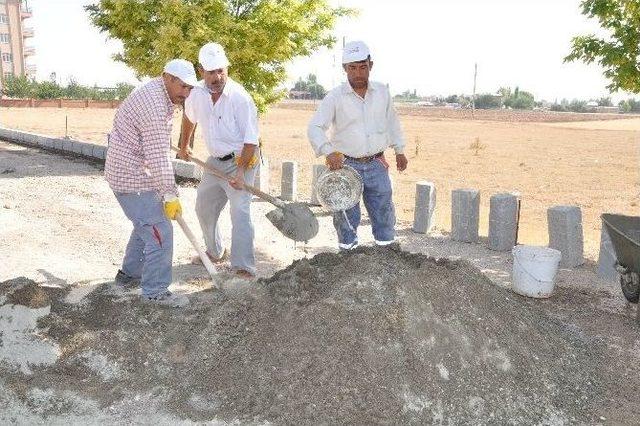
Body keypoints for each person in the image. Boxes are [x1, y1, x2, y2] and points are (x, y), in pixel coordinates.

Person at [105, 59, 197, 307]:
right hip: (131, 177)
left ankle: (129, 275)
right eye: (183, 86)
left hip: (126, 171)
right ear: (167, 77)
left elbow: (152, 143)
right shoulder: (155, 106)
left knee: (145, 224)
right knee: (160, 233)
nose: (186, 93)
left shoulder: (156, 92)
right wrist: (170, 193)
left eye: (190, 88)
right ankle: (155, 291)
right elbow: (158, 158)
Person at [307, 41, 408, 250]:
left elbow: (392, 122)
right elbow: (315, 127)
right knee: (346, 218)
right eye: (352, 68)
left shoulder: (382, 92)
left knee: (383, 213)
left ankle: (387, 254)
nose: (358, 73)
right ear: (345, 69)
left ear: (371, 65)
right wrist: (328, 151)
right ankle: (348, 260)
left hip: (376, 164)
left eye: (363, 67)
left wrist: (399, 150)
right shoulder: (335, 97)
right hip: (345, 167)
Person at [177, 42, 260, 279]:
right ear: (201, 71)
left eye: (220, 70)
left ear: (227, 68)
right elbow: (189, 117)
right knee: (204, 205)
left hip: (242, 158)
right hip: (214, 161)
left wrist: (241, 172)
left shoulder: (240, 98)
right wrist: (184, 144)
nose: (216, 77)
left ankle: (244, 266)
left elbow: (251, 140)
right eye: (211, 72)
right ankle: (214, 252)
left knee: (240, 210)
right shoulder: (196, 95)